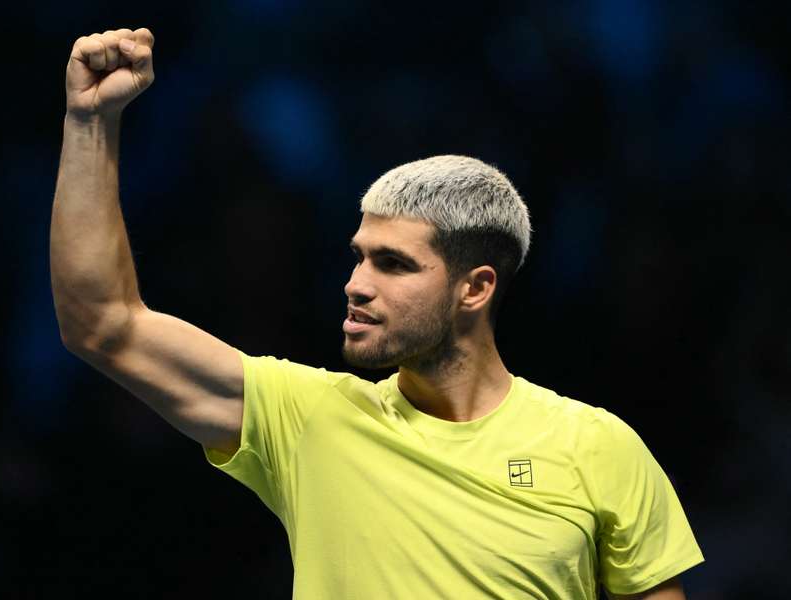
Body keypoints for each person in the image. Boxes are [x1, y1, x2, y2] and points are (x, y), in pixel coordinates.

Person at [51, 27, 704, 600]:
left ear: (474, 289)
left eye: (393, 264)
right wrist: (89, 122)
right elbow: (103, 324)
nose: (356, 285)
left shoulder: (600, 448)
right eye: (358, 258)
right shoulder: (308, 418)